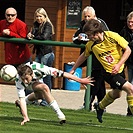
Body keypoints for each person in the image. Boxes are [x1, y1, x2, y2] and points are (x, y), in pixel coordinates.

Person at [70, 19, 133, 123]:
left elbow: (128, 50)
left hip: (119, 69)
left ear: (96, 33)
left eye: (89, 35)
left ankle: (100, 106)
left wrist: (119, 64)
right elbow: (84, 56)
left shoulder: (112, 36)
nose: (88, 37)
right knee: (130, 89)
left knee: (117, 94)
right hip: (109, 73)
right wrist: (73, 69)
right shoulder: (91, 45)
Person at [15, 61, 94, 125]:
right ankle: (60, 114)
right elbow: (21, 97)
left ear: (32, 73)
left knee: (41, 95)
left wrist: (81, 80)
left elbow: (63, 74)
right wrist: (26, 117)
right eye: (23, 79)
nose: (25, 81)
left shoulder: (40, 68)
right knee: (45, 88)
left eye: (26, 78)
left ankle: (25, 101)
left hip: (36, 80)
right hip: (34, 83)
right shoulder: (18, 80)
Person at [72, 6, 109, 110]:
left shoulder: (101, 24)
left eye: (89, 16)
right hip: (90, 57)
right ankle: (100, 105)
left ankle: (88, 104)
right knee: (98, 82)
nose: (87, 18)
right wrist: (79, 39)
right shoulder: (83, 24)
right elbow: (74, 38)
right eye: (85, 16)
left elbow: (106, 37)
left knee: (95, 81)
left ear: (94, 16)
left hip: (101, 57)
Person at [27, 8, 54, 106]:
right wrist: (29, 35)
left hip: (47, 53)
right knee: (35, 76)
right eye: (37, 16)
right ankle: (34, 98)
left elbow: (44, 37)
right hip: (39, 53)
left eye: (40, 16)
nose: (38, 18)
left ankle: (47, 101)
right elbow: (32, 34)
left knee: (46, 76)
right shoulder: (35, 25)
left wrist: (33, 36)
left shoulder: (48, 25)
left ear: (44, 16)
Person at [120, 11, 133, 116]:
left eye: (132, 22)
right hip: (130, 62)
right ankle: (130, 110)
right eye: (129, 22)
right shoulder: (124, 31)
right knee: (131, 85)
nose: (130, 24)